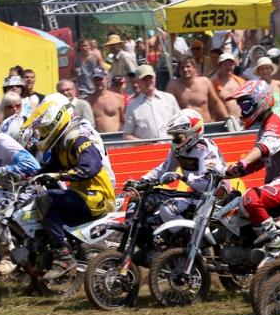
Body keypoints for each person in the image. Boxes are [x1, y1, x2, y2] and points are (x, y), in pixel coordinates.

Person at [24, 94, 117, 279]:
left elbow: (91, 167)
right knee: (37, 202)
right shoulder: (63, 141)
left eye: (44, 129)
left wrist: (58, 176)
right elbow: (49, 168)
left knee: (46, 199)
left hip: (98, 195)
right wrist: (25, 178)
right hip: (82, 194)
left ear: (56, 122)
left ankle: (64, 256)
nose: (42, 134)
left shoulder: (79, 138)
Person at [223, 80, 280, 243]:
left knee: (250, 197)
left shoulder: (275, 122)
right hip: (277, 185)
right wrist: (227, 173)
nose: (243, 111)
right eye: (241, 107)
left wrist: (243, 162)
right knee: (230, 202)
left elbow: (263, 148)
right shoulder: (264, 127)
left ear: (260, 100)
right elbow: (256, 163)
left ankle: (274, 241)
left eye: (246, 106)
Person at [139, 109, 227, 222]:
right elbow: (165, 168)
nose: (175, 139)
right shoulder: (178, 149)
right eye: (174, 136)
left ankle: (190, 233)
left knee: (168, 209)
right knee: (153, 200)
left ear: (193, 133)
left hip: (215, 199)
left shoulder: (206, 149)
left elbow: (208, 184)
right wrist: (143, 180)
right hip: (196, 195)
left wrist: (182, 177)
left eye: (178, 136)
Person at [123, 64, 180, 140]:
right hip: (148, 147)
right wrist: (144, 144)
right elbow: (127, 135)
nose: (148, 81)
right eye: (144, 79)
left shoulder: (169, 99)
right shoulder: (132, 107)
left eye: (150, 77)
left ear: (155, 78)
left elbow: (181, 123)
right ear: (137, 82)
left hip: (172, 146)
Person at [167, 56, 230, 123]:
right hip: (185, 126)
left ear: (194, 68)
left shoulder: (205, 82)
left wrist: (227, 118)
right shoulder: (173, 85)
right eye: (182, 67)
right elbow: (168, 106)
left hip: (205, 124)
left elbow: (216, 102)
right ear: (179, 70)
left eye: (188, 66)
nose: (185, 69)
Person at [86, 66, 126, 133]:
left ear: (107, 79)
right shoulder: (88, 101)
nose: (98, 82)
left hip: (116, 136)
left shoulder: (118, 98)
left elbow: (124, 121)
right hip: (97, 137)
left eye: (100, 79)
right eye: (96, 79)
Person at [210, 52, 245, 120]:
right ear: (219, 66)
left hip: (241, 120)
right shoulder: (212, 84)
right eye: (225, 64)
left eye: (231, 64)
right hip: (222, 122)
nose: (228, 67)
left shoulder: (241, 82)